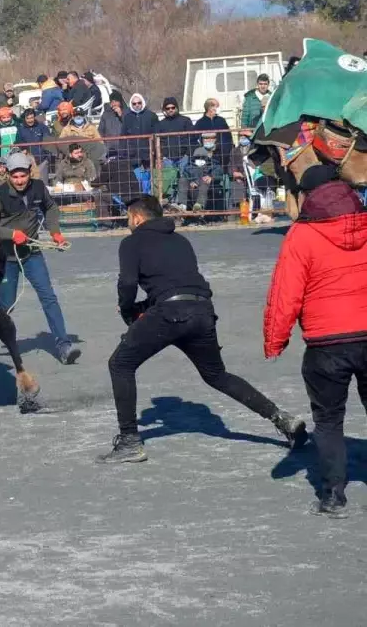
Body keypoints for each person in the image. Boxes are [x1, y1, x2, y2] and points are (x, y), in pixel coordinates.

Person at [97, 196, 307, 464]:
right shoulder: (180, 240)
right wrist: (143, 308)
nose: (128, 223)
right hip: (201, 311)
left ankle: (129, 441)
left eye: (128, 218)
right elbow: (176, 285)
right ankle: (282, 419)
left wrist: (128, 311)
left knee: (120, 364)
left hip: (169, 314)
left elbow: (127, 283)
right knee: (217, 375)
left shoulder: (132, 242)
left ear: (137, 218)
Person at [263, 169, 367, 517]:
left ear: (307, 195)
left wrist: (275, 340)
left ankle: (334, 494)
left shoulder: (302, 235)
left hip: (326, 342)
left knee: (328, 421)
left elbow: (285, 292)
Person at [0, 151, 81, 365]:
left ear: (29, 172)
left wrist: (55, 232)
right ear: (7, 174)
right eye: (15, 176)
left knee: (49, 297)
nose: (19, 181)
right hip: (7, 257)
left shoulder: (38, 187)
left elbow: (51, 207)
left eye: (23, 175)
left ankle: (63, 345)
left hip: (32, 254)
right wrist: (10, 234)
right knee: (6, 304)